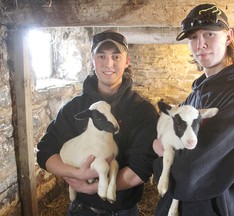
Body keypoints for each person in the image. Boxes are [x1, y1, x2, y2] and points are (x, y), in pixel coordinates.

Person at [153, 4, 234, 216]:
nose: (200, 44)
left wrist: (160, 151)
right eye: (193, 37)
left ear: (229, 37)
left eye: (209, 34)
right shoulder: (196, 94)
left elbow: (191, 171)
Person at [37, 30, 159, 216]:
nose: (108, 63)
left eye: (116, 56)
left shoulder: (143, 111)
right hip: (81, 209)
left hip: (123, 209)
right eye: (101, 56)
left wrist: (98, 186)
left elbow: (143, 167)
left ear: (127, 61)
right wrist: (76, 174)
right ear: (92, 60)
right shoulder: (74, 108)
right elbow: (46, 151)